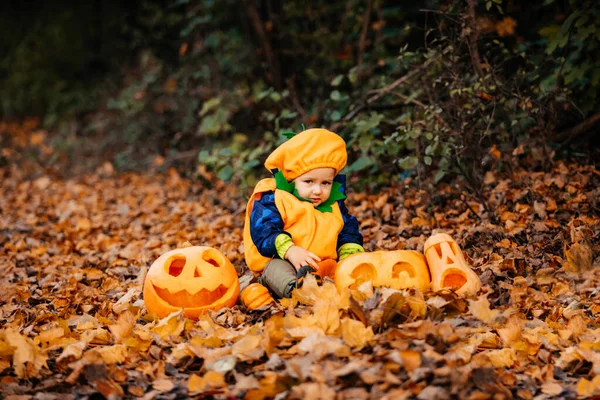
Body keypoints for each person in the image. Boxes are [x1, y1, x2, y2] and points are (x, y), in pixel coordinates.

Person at [243, 128, 364, 299]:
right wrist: (290, 250)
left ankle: (334, 285)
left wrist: (348, 253)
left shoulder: (334, 206)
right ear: (292, 179)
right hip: (283, 260)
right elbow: (264, 229)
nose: (317, 190)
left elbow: (347, 230)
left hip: (322, 265)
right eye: (309, 182)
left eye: (325, 183)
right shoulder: (277, 199)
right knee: (277, 270)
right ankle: (296, 291)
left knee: (341, 269)